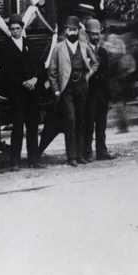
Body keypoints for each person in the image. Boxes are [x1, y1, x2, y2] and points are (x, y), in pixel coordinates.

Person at [0, 13, 46, 169]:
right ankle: (15, 161)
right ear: (9, 30)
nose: (15, 31)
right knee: (17, 126)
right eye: (12, 29)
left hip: (32, 92)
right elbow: (6, 71)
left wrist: (35, 79)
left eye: (17, 28)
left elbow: (40, 65)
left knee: (32, 126)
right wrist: (22, 82)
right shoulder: (5, 47)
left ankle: (33, 159)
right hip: (16, 93)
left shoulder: (30, 44)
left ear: (22, 28)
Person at [48, 15, 97, 167]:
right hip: (67, 88)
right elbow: (52, 71)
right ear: (65, 31)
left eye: (75, 30)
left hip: (81, 86)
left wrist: (88, 76)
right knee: (71, 120)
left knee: (81, 119)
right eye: (70, 30)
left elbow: (95, 63)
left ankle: (80, 155)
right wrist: (56, 90)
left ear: (78, 31)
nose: (72, 33)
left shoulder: (84, 46)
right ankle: (72, 156)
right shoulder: (58, 48)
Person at [82, 19, 115, 162]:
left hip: (102, 94)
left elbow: (107, 74)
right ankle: (87, 152)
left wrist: (108, 95)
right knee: (89, 124)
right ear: (87, 34)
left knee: (101, 125)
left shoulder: (103, 52)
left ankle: (102, 151)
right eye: (92, 34)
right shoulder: (83, 51)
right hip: (89, 94)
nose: (95, 37)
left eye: (97, 34)